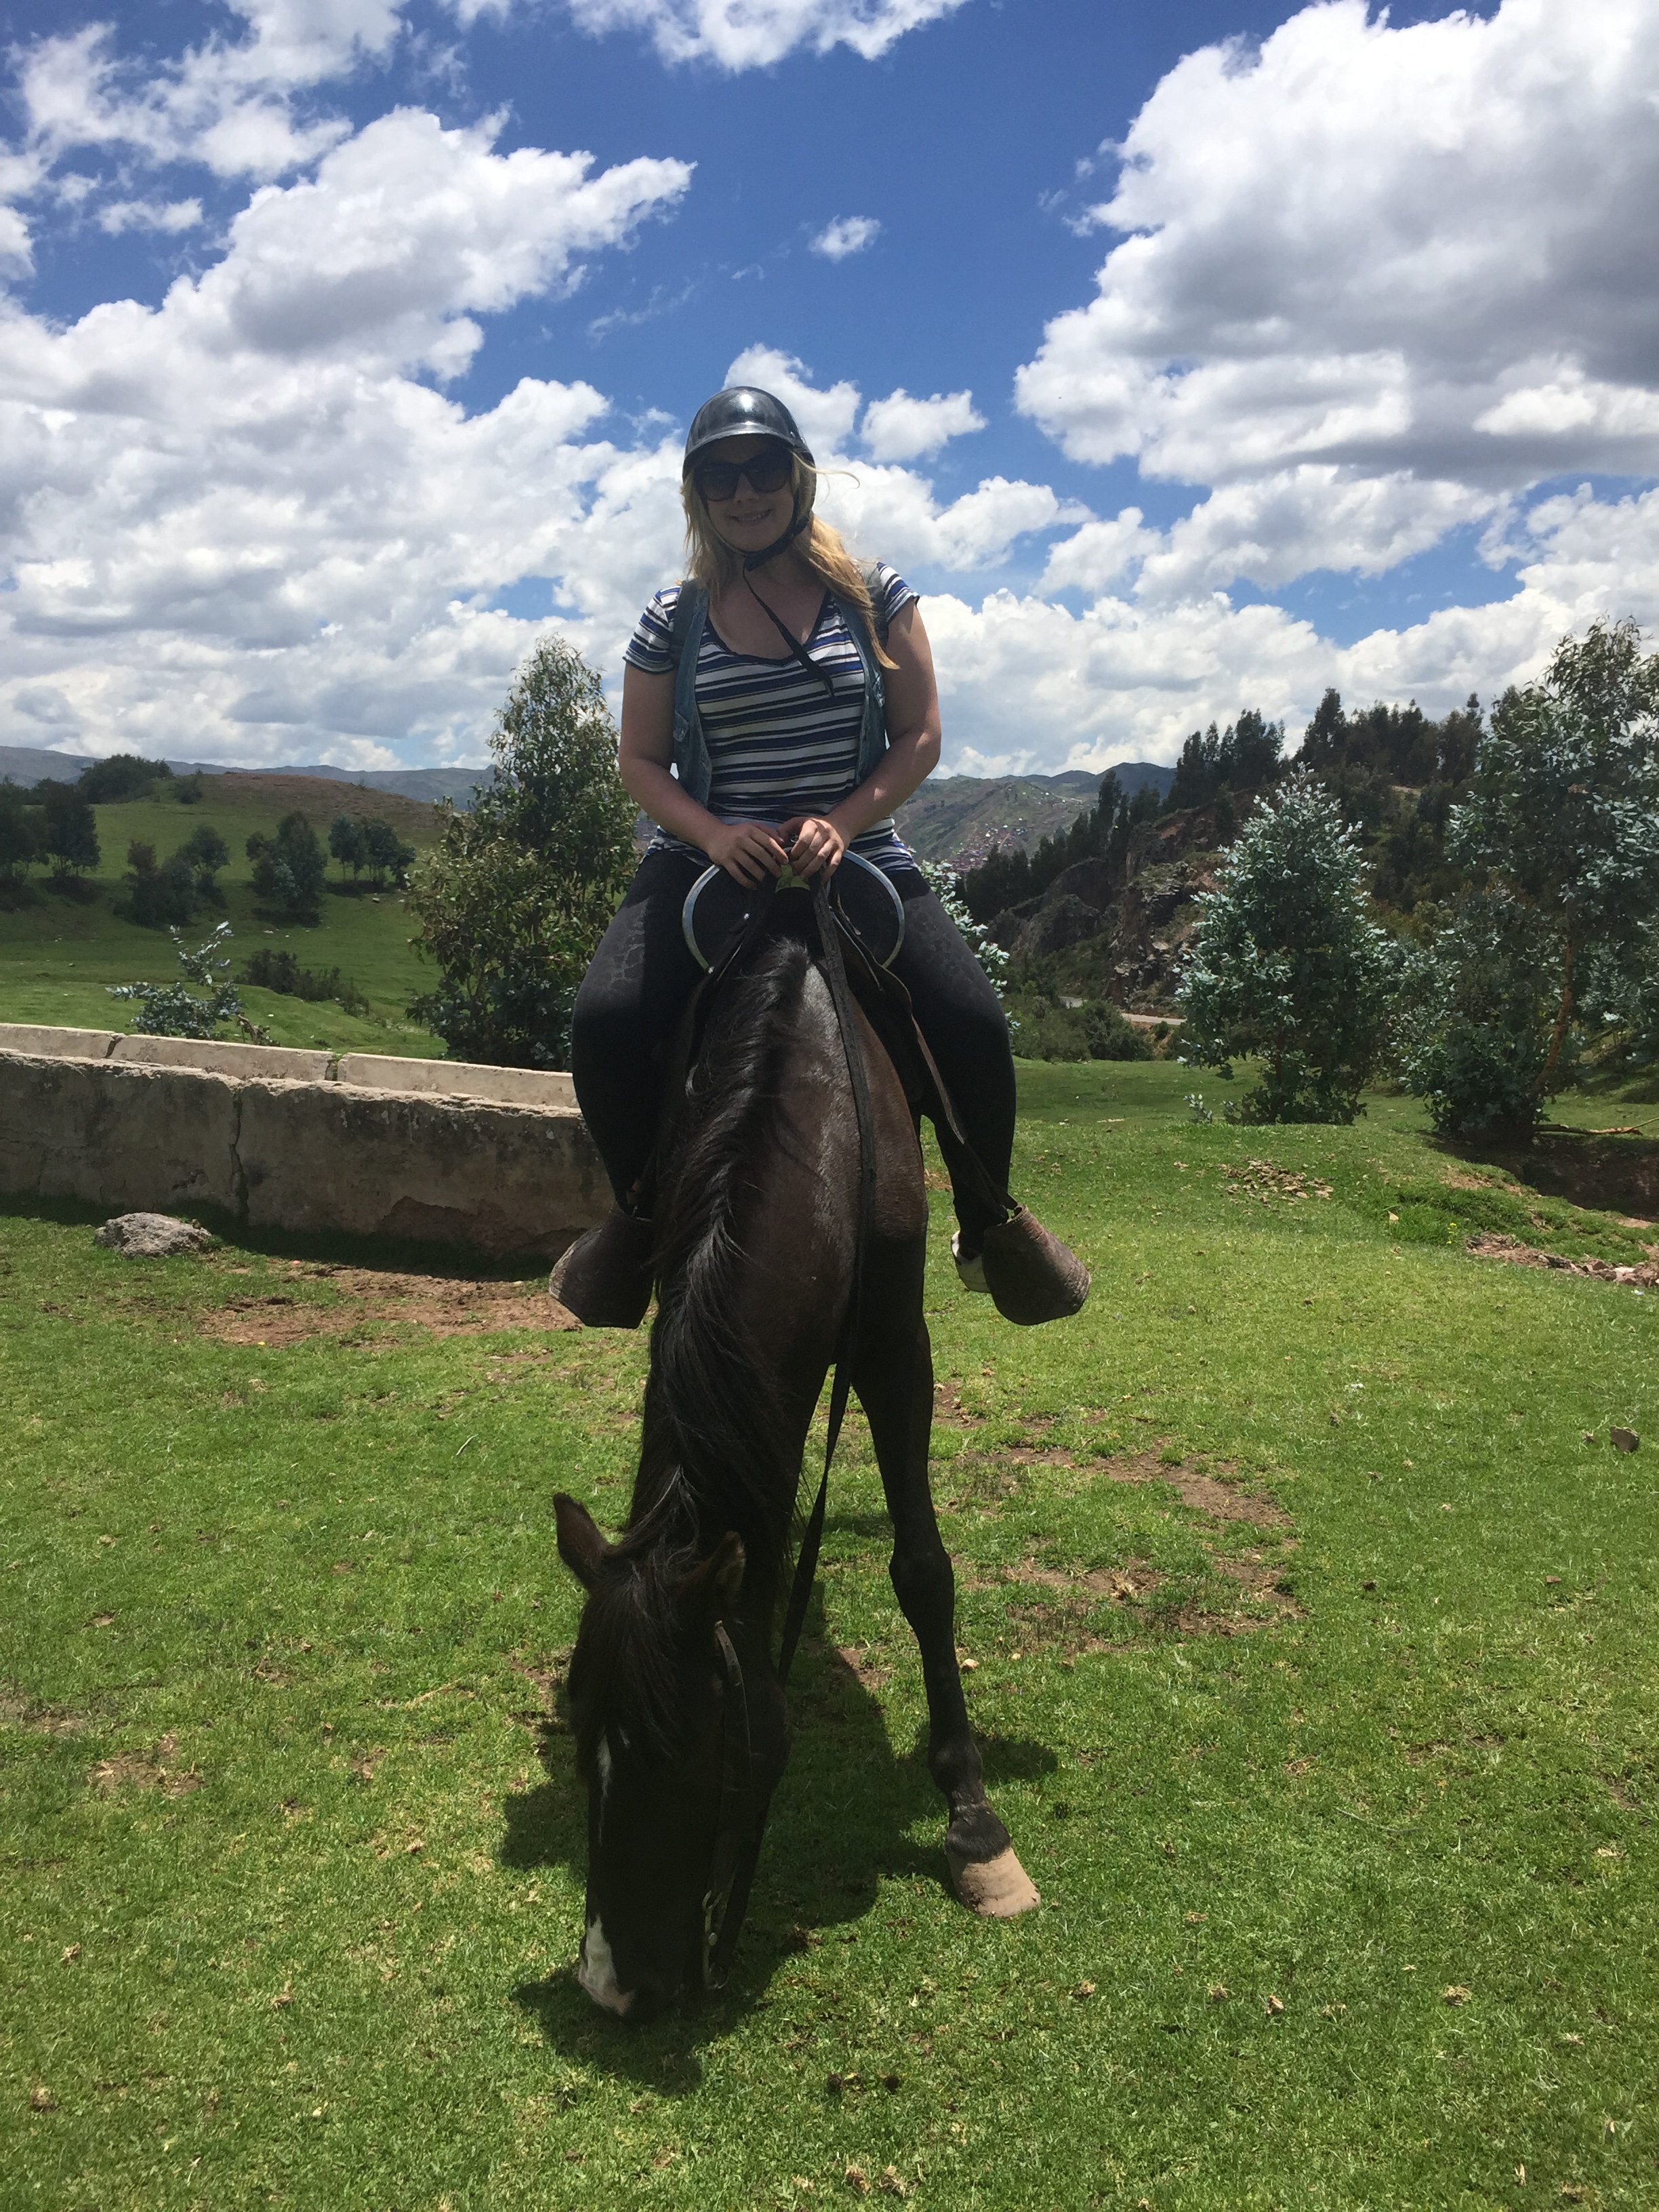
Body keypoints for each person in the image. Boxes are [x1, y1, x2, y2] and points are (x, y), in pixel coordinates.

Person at [553, 384, 1087, 1328]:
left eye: (763, 468)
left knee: (973, 1023)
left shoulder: (874, 596)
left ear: (798, 477)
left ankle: (988, 1222)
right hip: (708, 859)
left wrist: (841, 822)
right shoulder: (673, 616)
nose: (744, 492)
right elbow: (639, 760)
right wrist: (715, 834)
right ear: (697, 495)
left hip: (858, 855)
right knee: (604, 1021)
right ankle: (638, 1220)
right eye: (720, 477)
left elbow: (920, 735)